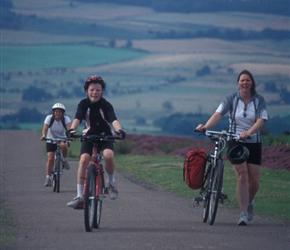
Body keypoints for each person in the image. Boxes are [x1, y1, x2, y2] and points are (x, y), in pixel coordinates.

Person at [195, 70, 268, 226]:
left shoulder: (259, 100)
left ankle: (249, 203)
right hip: (235, 141)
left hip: (253, 141)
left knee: (254, 181)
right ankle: (242, 214)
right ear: (238, 83)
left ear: (252, 83)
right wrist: (205, 127)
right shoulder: (231, 98)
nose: (245, 83)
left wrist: (248, 132)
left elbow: (261, 120)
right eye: (242, 80)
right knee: (242, 175)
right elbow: (218, 114)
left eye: (248, 80)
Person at [66, 75, 126, 209]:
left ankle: (111, 183)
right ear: (86, 91)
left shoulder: (106, 105)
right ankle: (80, 196)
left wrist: (119, 130)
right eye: (92, 90)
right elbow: (78, 118)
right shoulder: (83, 104)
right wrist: (71, 130)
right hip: (89, 135)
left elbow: (113, 119)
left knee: (108, 155)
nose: (95, 92)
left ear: (102, 91)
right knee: (83, 160)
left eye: (98, 90)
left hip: (106, 136)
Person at [41, 103, 72, 186]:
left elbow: (69, 129)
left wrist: (71, 136)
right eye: (56, 111)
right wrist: (44, 135)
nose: (58, 113)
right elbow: (45, 128)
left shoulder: (66, 119)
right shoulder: (49, 118)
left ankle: (64, 160)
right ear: (53, 112)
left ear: (63, 113)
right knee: (50, 158)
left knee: (64, 145)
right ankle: (48, 178)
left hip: (62, 139)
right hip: (51, 140)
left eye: (60, 112)